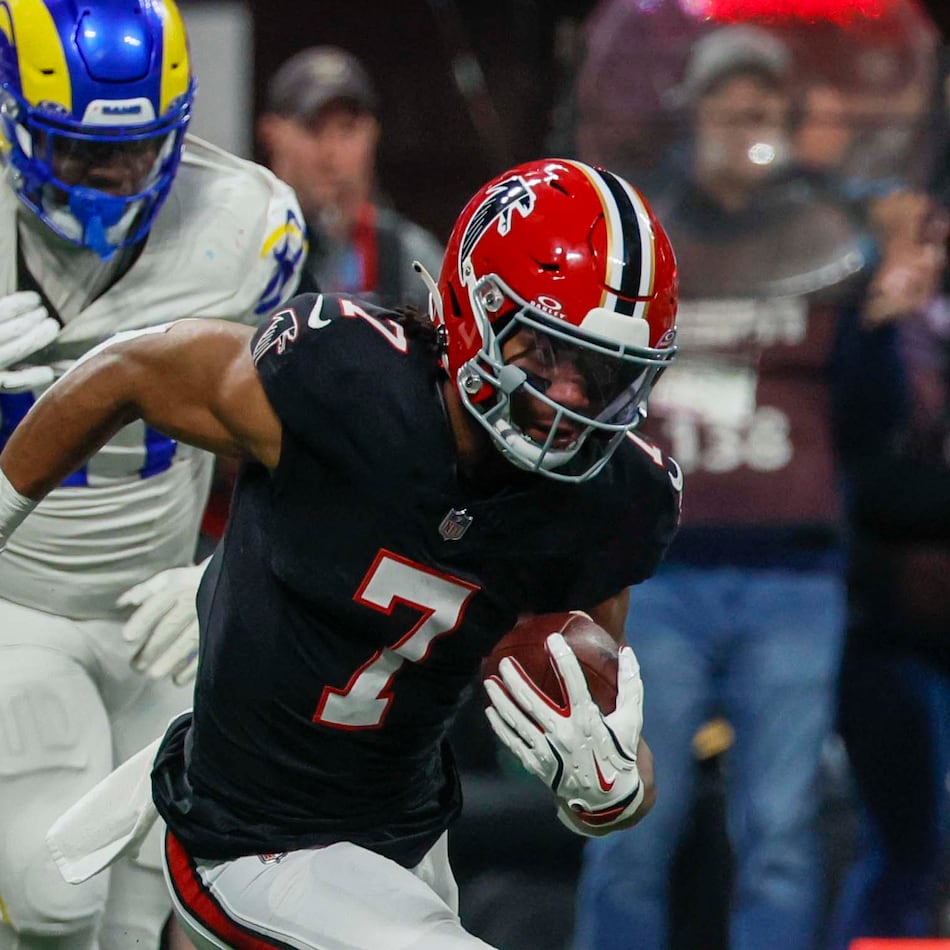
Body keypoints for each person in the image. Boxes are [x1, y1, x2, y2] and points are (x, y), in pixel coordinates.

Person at [0, 157, 682, 949]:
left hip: (405, 836)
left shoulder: (608, 502)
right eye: (545, 353)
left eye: (603, 373)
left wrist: (608, 792)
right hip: (251, 834)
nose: (569, 398)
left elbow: (603, 733)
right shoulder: (345, 383)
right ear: (473, 310)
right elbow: (131, 370)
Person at [0, 2, 305, 948]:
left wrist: (232, 570)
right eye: (79, 151)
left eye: (135, 150)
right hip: (18, 602)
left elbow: (306, 443)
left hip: (162, 612)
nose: (111, 178)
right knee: (52, 897)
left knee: (150, 912)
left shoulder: (248, 226)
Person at [573, 24, 868, 950]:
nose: (747, 119)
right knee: (629, 817)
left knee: (782, 830)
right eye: (729, 102)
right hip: (659, 574)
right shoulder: (642, 238)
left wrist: (885, 325)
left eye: (763, 106)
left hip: (794, 579)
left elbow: (871, 414)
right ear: (692, 112)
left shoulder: (830, 241)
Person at [826, 180, 950, 947]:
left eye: (930, 235)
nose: (923, 254)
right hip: (890, 633)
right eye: (903, 237)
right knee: (906, 850)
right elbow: (865, 479)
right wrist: (875, 329)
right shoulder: (859, 336)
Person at [257, 45, 444, 311]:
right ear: (271, 134)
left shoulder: (408, 256)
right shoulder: (244, 246)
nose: (330, 152)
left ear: (373, 134)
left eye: (347, 129)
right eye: (313, 128)